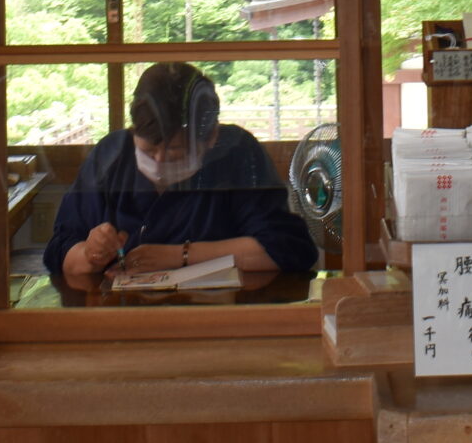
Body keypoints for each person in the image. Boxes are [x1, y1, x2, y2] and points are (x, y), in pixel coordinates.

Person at [44, 62, 322, 280]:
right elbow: (61, 251)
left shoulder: (237, 153)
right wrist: (90, 254)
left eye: (176, 151)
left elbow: (287, 250)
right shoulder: (111, 155)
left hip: (219, 320)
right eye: (149, 150)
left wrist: (181, 256)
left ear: (211, 136)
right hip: (121, 320)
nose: (161, 160)